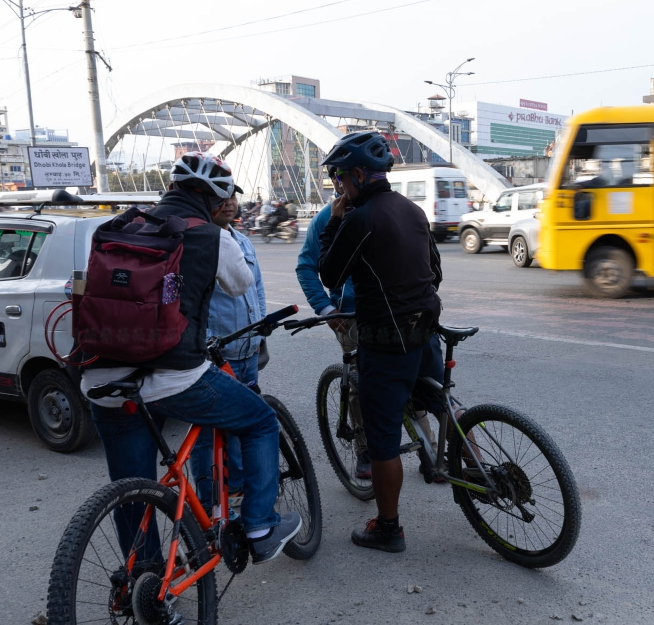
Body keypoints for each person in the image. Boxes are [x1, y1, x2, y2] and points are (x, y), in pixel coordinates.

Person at [80, 152, 300, 564]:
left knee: (133, 487)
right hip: (173, 375)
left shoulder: (119, 227)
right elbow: (240, 285)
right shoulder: (212, 235)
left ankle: (141, 580)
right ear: (218, 200)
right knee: (259, 421)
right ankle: (260, 526)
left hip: (102, 379)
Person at [318, 131, 444, 553]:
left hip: (387, 342)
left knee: (384, 439)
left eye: (338, 178)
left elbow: (329, 274)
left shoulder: (359, 219)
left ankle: (388, 528)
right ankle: (476, 470)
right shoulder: (413, 211)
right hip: (427, 327)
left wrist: (334, 221)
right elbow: (435, 272)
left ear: (357, 175)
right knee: (441, 401)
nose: (338, 187)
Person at [191, 189, 266, 514]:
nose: (231, 202)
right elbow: (186, 301)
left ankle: (236, 493)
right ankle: (209, 504)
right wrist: (203, 341)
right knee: (207, 438)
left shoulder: (241, 239)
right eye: (221, 196)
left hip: (247, 353)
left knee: (242, 428)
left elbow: (257, 286)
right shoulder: (194, 244)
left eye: (233, 194)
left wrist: (261, 328)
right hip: (216, 358)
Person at [295, 185, 365, 475]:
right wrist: (326, 309)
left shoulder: (390, 208)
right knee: (358, 383)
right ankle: (365, 450)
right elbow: (306, 266)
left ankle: (431, 448)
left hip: (398, 312)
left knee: (415, 383)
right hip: (352, 316)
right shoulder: (327, 217)